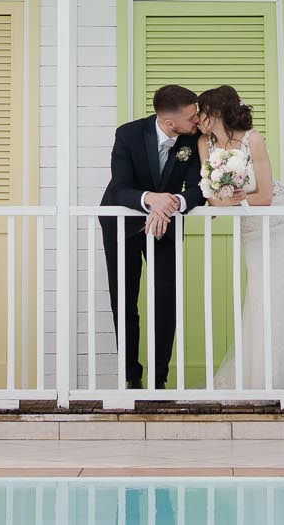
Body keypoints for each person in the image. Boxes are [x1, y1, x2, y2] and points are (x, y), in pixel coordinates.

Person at [195, 84, 284, 391]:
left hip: (281, 221)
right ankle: (258, 376)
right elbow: (212, 197)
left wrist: (228, 200)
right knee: (259, 296)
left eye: (202, 110)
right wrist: (225, 199)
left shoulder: (253, 139)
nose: (197, 117)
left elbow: (265, 196)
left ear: (216, 112)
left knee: (282, 295)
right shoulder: (205, 144)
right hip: (250, 226)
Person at [98, 84, 203, 390]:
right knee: (125, 299)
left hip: (165, 225)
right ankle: (132, 376)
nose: (197, 119)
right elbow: (120, 186)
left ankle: (159, 379)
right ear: (170, 123)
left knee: (165, 300)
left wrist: (170, 204)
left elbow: (198, 188)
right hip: (122, 224)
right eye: (192, 116)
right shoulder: (128, 134)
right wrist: (151, 200)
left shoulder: (194, 140)